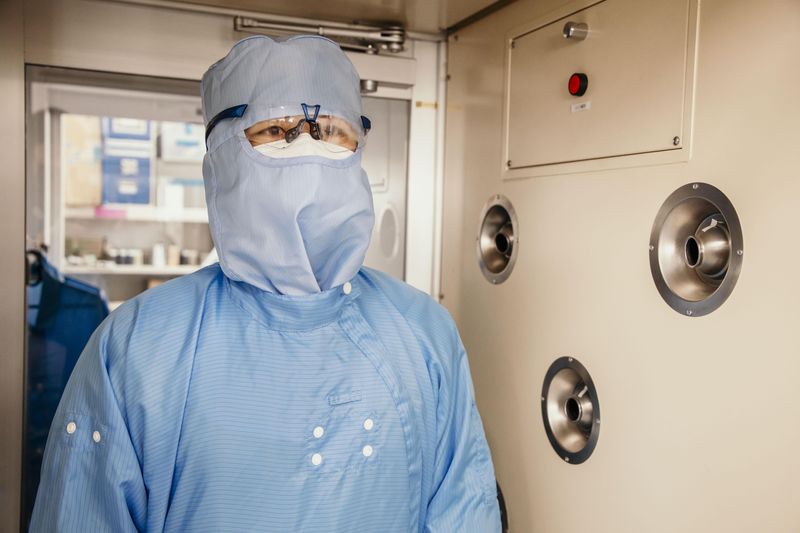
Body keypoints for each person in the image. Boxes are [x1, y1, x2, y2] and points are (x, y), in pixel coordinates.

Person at [30, 35, 501, 532]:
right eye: (276, 130)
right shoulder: (137, 347)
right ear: (222, 152)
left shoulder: (425, 334)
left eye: (332, 131)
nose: (308, 146)